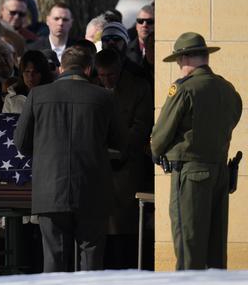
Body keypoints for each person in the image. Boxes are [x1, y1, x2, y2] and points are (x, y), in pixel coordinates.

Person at [14, 47, 125, 272]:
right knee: (91, 261)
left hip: (50, 190)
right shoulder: (104, 96)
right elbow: (121, 141)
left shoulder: (37, 95)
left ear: (62, 68)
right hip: (92, 189)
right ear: (88, 68)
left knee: (54, 259)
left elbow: (21, 143)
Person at [151, 32, 243, 270]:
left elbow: (159, 137)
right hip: (220, 173)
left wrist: (158, 150)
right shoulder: (227, 89)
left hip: (190, 176)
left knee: (188, 246)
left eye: (179, 61)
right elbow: (233, 119)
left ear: (187, 58)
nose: (179, 66)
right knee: (215, 249)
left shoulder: (184, 89)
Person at [95, 48, 153, 269]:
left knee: (125, 230)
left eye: (110, 75)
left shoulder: (138, 87)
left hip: (127, 168)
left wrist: (120, 152)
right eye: (101, 75)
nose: (106, 80)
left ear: (119, 69)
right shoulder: (93, 88)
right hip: (100, 169)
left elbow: (140, 126)